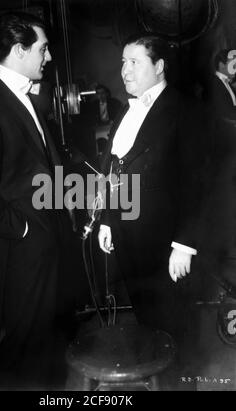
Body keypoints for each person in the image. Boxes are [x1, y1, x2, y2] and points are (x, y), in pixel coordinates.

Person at [0, 12, 73, 390]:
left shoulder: (25, 100)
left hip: (46, 248)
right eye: (43, 48)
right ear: (19, 51)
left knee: (49, 351)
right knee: (23, 360)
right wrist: (22, 228)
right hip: (19, 258)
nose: (49, 57)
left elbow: (34, 169)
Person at [98, 36, 205, 377]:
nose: (124, 70)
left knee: (177, 335)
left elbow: (199, 182)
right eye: (122, 62)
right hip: (131, 244)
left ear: (159, 67)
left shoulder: (185, 109)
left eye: (134, 62)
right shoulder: (125, 111)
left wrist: (185, 244)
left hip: (168, 248)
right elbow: (115, 170)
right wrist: (108, 222)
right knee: (149, 329)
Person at [205, 49, 236, 120]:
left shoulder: (226, 81)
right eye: (234, 66)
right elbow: (226, 112)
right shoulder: (215, 84)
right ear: (221, 65)